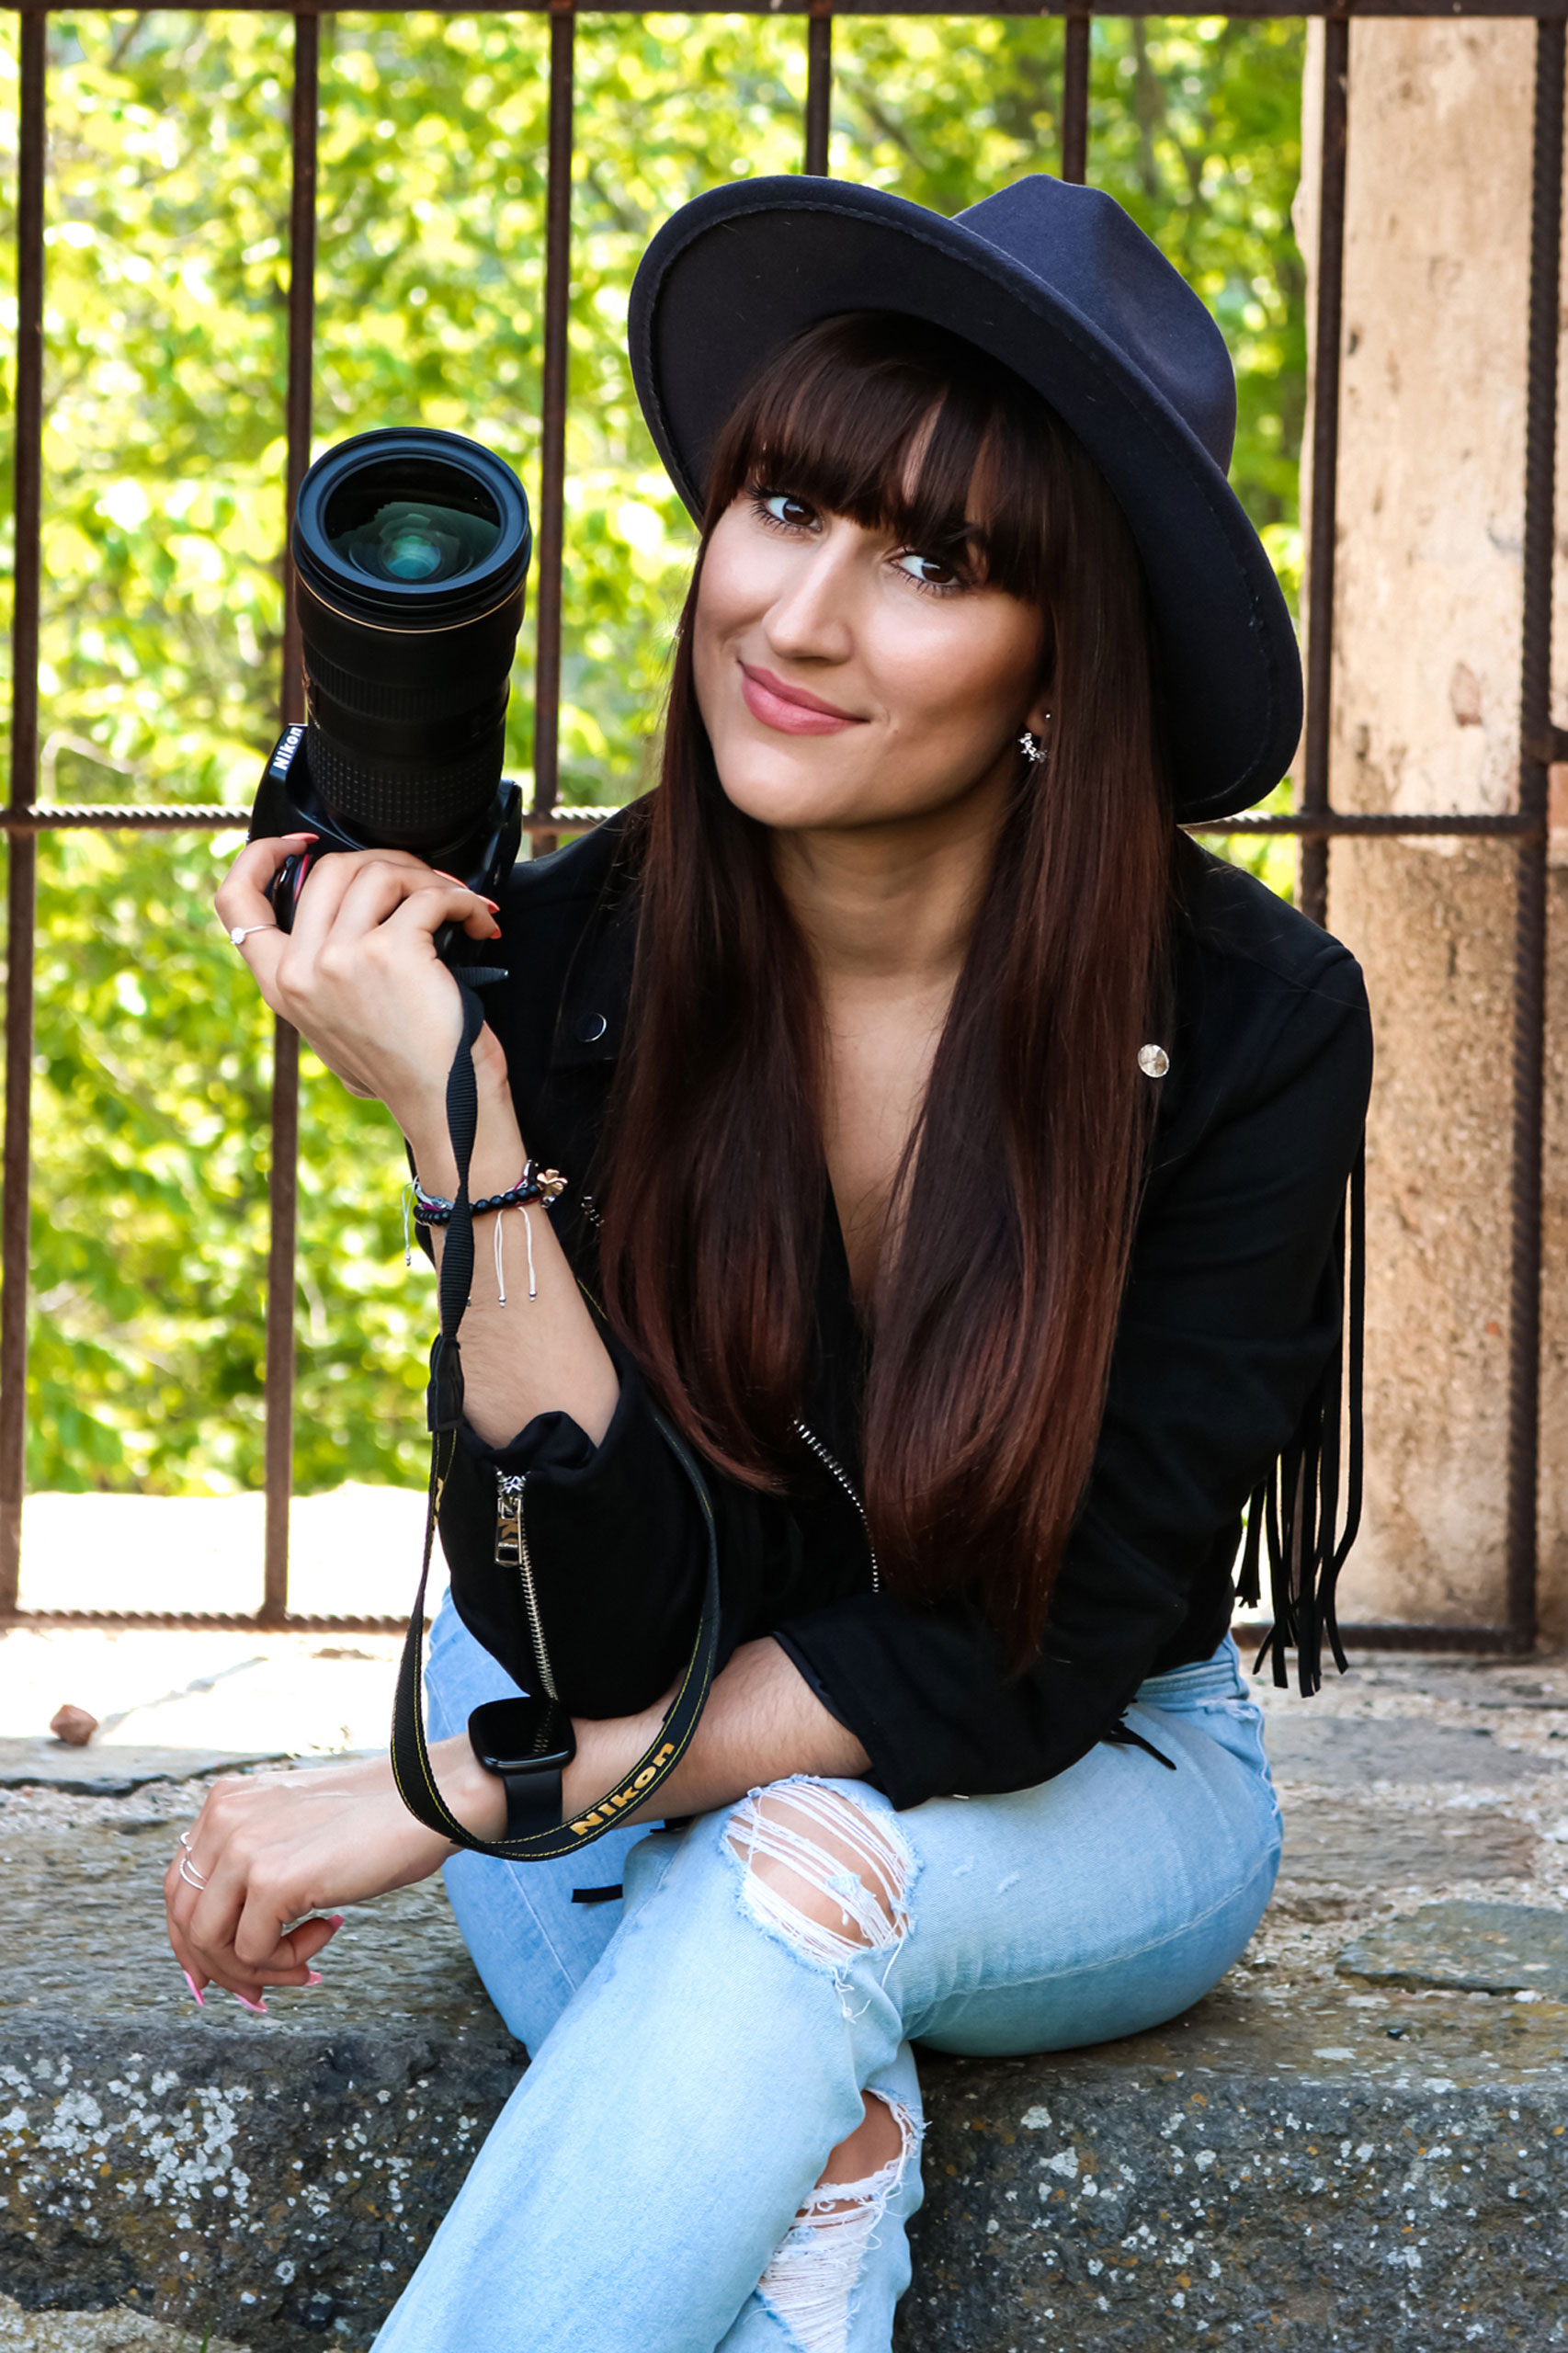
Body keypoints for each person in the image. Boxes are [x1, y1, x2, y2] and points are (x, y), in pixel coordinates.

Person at [170, 172, 1371, 2351]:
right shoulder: (585, 958)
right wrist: (470, 1125)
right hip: (595, 1683)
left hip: (1082, 1778)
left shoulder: (1252, 1020)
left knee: (785, 1872)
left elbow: (1041, 1647)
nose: (798, 618)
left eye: (930, 561)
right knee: (766, 1965)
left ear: (1055, 667)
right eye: (783, 508)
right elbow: (585, 1609)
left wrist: (462, 1796)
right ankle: (823, 2199)